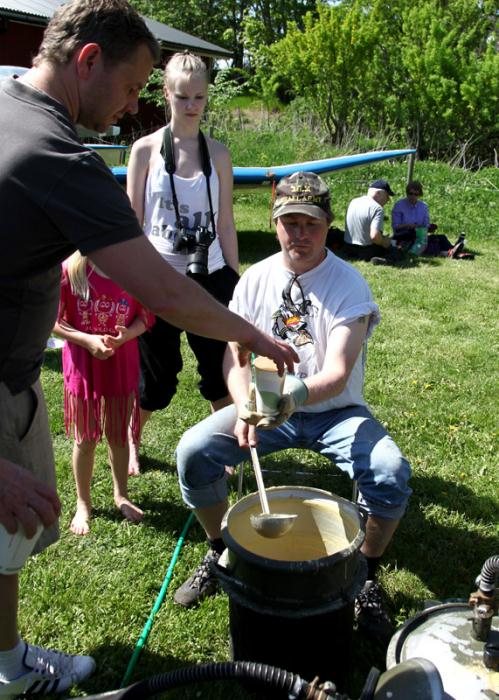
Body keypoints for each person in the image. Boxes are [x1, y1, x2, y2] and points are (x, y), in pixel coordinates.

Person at [0, 1, 297, 695]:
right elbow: (163, 292)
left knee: (10, 534)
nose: (136, 106)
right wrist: (250, 334)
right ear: (87, 61)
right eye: (135, 87)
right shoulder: (55, 155)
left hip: (15, 377)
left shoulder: (8, 107)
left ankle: (6, 656)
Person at [174, 171, 412, 641]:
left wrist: (292, 397)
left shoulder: (349, 284)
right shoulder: (256, 280)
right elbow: (234, 353)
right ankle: (220, 550)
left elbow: (339, 371)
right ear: (274, 221)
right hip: (266, 410)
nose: (300, 233)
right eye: (290, 222)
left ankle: (364, 575)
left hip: (336, 412)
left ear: (328, 226)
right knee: (194, 451)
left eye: (312, 224)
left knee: (390, 472)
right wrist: (245, 404)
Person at [126, 52, 239, 476]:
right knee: (156, 379)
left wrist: (235, 279)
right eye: (182, 97)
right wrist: (130, 280)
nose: (191, 106)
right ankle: (131, 441)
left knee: (218, 368)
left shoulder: (220, 154)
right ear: (165, 94)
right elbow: (132, 220)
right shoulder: (144, 151)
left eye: (199, 97)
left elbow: (226, 222)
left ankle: (226, 446)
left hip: (210, 275)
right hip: (158, 279)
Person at [53, 252, 154, 535]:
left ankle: (120, 494)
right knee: (85, 439)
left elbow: (146, 316)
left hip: (121, 364)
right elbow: (54, 320)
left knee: (118, 434)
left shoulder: (133, 269)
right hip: (84, 366)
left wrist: (126, 336)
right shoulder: (71, 270)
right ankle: (83, 502)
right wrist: (86, 340)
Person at [344, 179, 402, 265]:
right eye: (387, 196)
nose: (388, 200)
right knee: (396, 251)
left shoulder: (354, 201)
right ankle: (385, 261)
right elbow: (374, 236)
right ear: (378, 193)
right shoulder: (377, 208)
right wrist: (384, 241)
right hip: (366, 251)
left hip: (348, 248)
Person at [391, 180, 430, 248]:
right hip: (403, 234)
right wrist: (408, 225)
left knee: (442, 238)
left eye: (416, 194)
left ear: (419, 195)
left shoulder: (424, 207)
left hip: (419, 234)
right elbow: (395, 226)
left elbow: (426, 225)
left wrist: (424, 227)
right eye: (411, 193)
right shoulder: (399, 205)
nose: (413, 196)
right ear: (407, 193)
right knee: (410, 234)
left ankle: (451, 250)